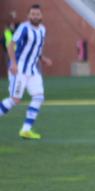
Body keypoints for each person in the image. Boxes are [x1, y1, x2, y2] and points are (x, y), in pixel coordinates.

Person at [0, 4, 52, 140]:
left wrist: (43, 58)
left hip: (33, 69)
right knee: (15, 100)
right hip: (20, 68)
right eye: (33, 14)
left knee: (39, 97)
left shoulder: (42, 30)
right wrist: (14, 63)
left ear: (41, 16)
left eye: (37, 14)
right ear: (28, 16)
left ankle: (26, 130)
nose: (35, 16)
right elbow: (10, 44)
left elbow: (36, 48)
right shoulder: (24, 28)